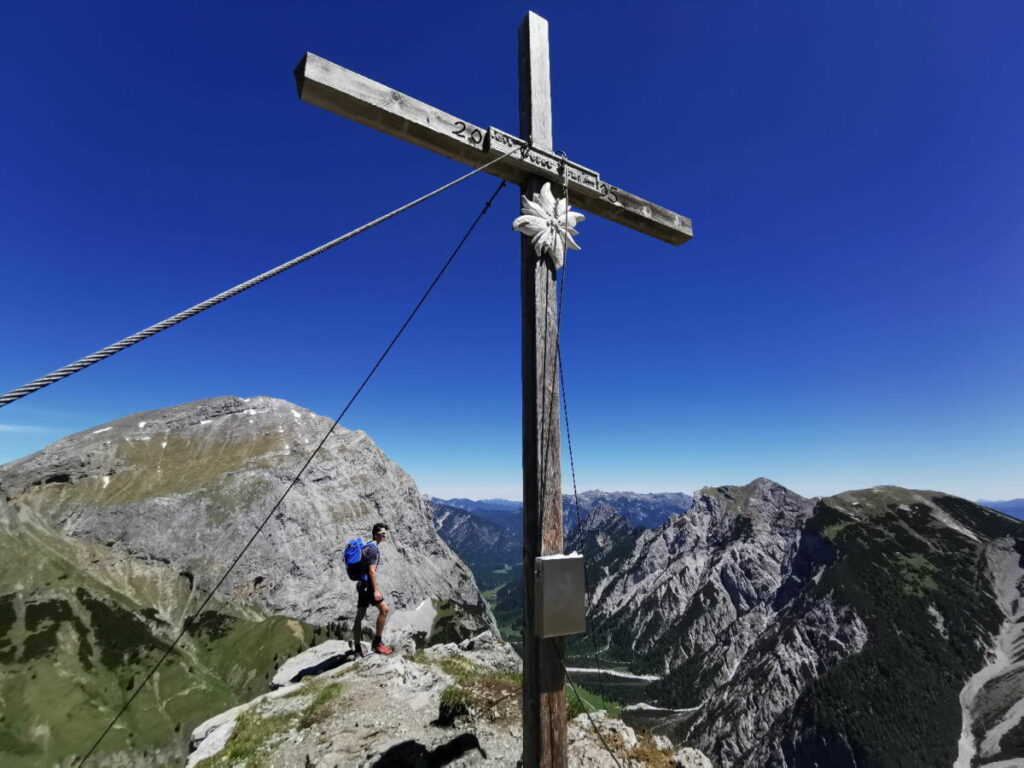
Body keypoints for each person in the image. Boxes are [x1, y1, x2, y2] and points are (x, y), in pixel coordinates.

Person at [353, 522, 392, 655]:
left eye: (385, 534)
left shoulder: (366, 546)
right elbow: (371, 571)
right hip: (367, 586)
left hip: (361, 584)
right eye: (383, 534)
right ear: (376, 534)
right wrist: (375, 590)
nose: (385, 536)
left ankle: (357, 647)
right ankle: (377, 642)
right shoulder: (373, 549)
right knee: (384, 609)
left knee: (360, 616)